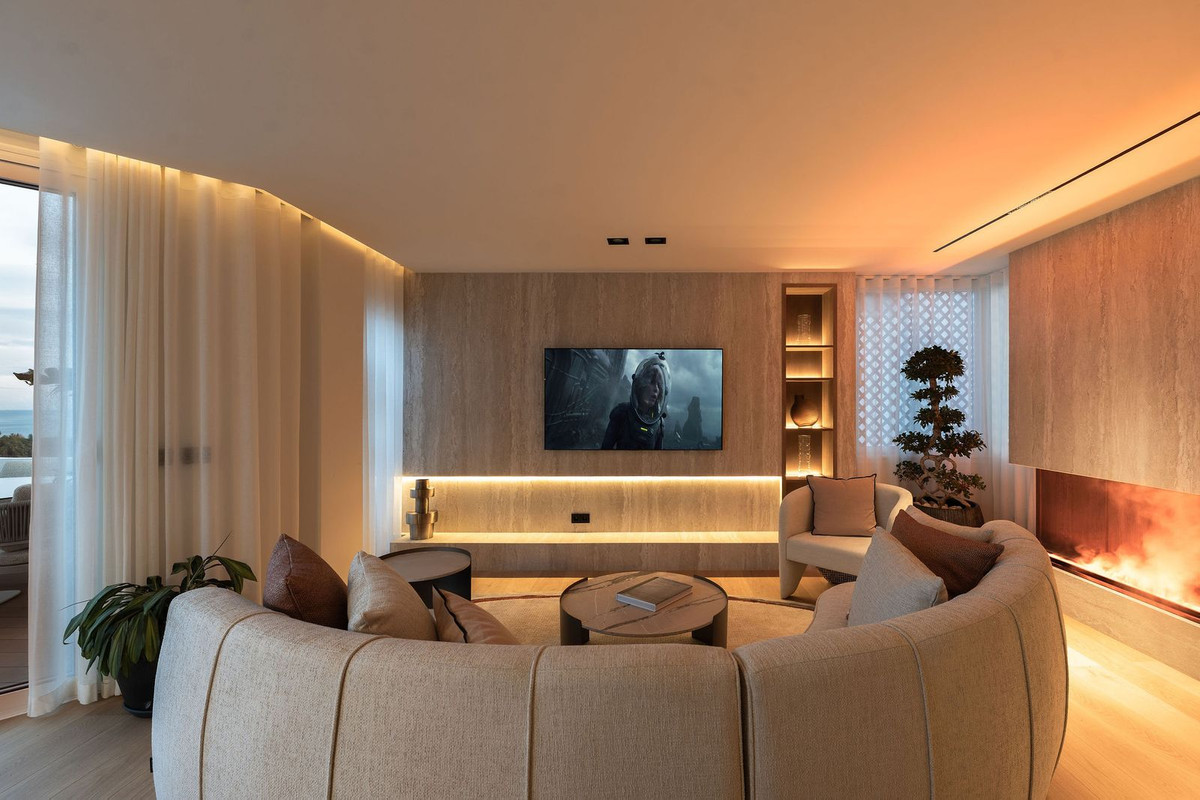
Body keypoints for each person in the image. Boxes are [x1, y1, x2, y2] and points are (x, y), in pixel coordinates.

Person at [601, 352, 670, 449]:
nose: (656, 389)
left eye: (659, 385)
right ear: (641, 385)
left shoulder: (659, 425)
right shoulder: (621, 413)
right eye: (652, 382)